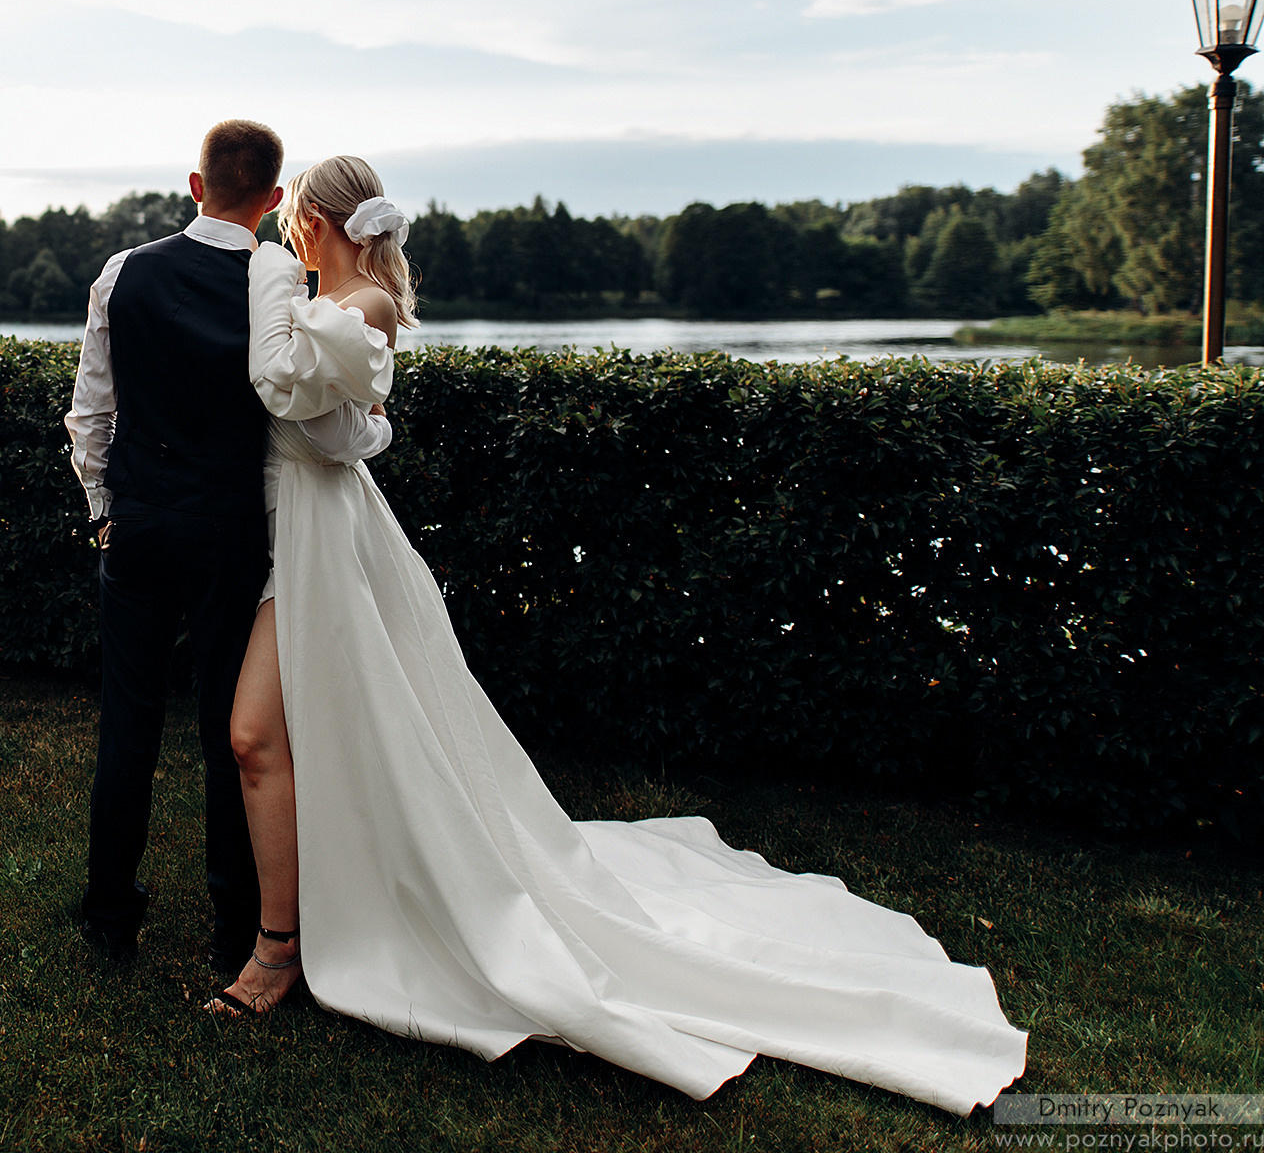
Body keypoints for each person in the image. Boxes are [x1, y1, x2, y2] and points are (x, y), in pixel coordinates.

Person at [205, 153, 1031, 1119]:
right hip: (292, 536)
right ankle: (305, 922)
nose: (288, 234)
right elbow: (340, 421)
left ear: (331, 221)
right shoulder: (314, 297)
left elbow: (290, 392)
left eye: (298, 218)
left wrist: (265, 289)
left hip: (327, 545)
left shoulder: (367, 306)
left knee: (284, 734)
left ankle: (287, 946)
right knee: (289, 737)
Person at [64, 118, 283, 976]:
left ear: (195, 186)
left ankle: (109, 912)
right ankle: (236, 925)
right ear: (271, 200)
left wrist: (101, 508)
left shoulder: (124, 273)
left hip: (144, 523)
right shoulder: (279, 291)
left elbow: (92, 412)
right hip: (233, 529)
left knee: (129, 721)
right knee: (234, 728)